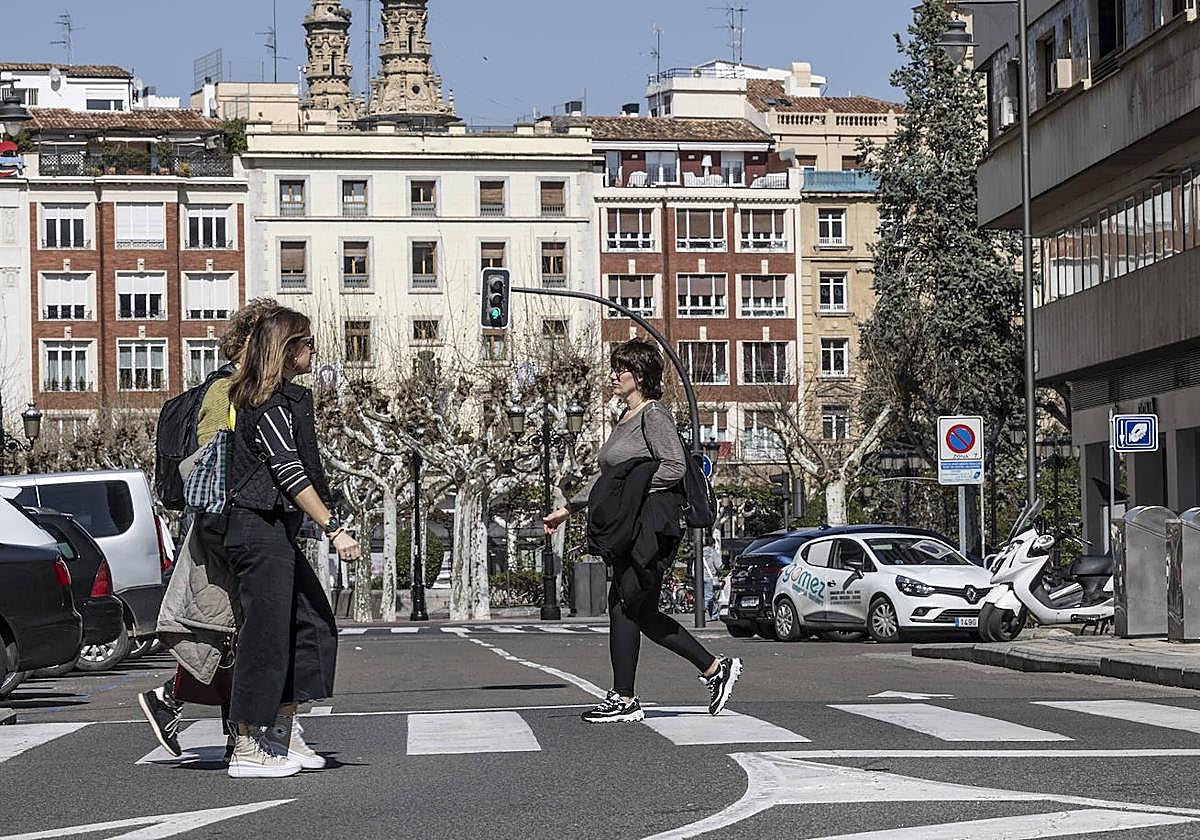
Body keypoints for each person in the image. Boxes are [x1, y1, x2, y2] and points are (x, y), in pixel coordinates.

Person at [543, 339, 742, 724]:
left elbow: (674, 467)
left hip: (650, 527)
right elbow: (609, 479)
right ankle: (715, 669)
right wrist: (569, 508)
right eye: (614, 368)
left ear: (641, 375)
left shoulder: (653, 415)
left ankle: (625, 697)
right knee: (640, 611)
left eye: (622, 369)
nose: (614, 375)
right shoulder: (625, 418)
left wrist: (633, 491)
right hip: (632, 525)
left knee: (624, 603)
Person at [140, 298, 280, 762]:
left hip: (225, 521)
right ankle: (176, 701)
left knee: (229, 624)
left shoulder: (241, 390)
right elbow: (212, 461)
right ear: (252, 342)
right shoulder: (225, 392)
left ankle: (221, 724)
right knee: (226, 623)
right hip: (220, 523)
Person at [221, 307, 359, 778]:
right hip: (256, 530)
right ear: (285, 348)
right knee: (264, 639)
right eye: (306, 341)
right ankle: (245, 746)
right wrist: (333, 528)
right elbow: (287, 469)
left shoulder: (284, 399)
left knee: (311, 624)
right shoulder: (264, 403)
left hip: (275, 531)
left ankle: (280, 733)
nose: (313, 349)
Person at [703, 536, 721, 620]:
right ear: (713, 544)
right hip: (709, 577)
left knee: (710, 596)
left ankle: (714, 615)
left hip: (699, 578)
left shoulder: (699, 552)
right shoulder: (713, 553)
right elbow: (718, 565)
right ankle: (702, 612)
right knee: (709, 596)